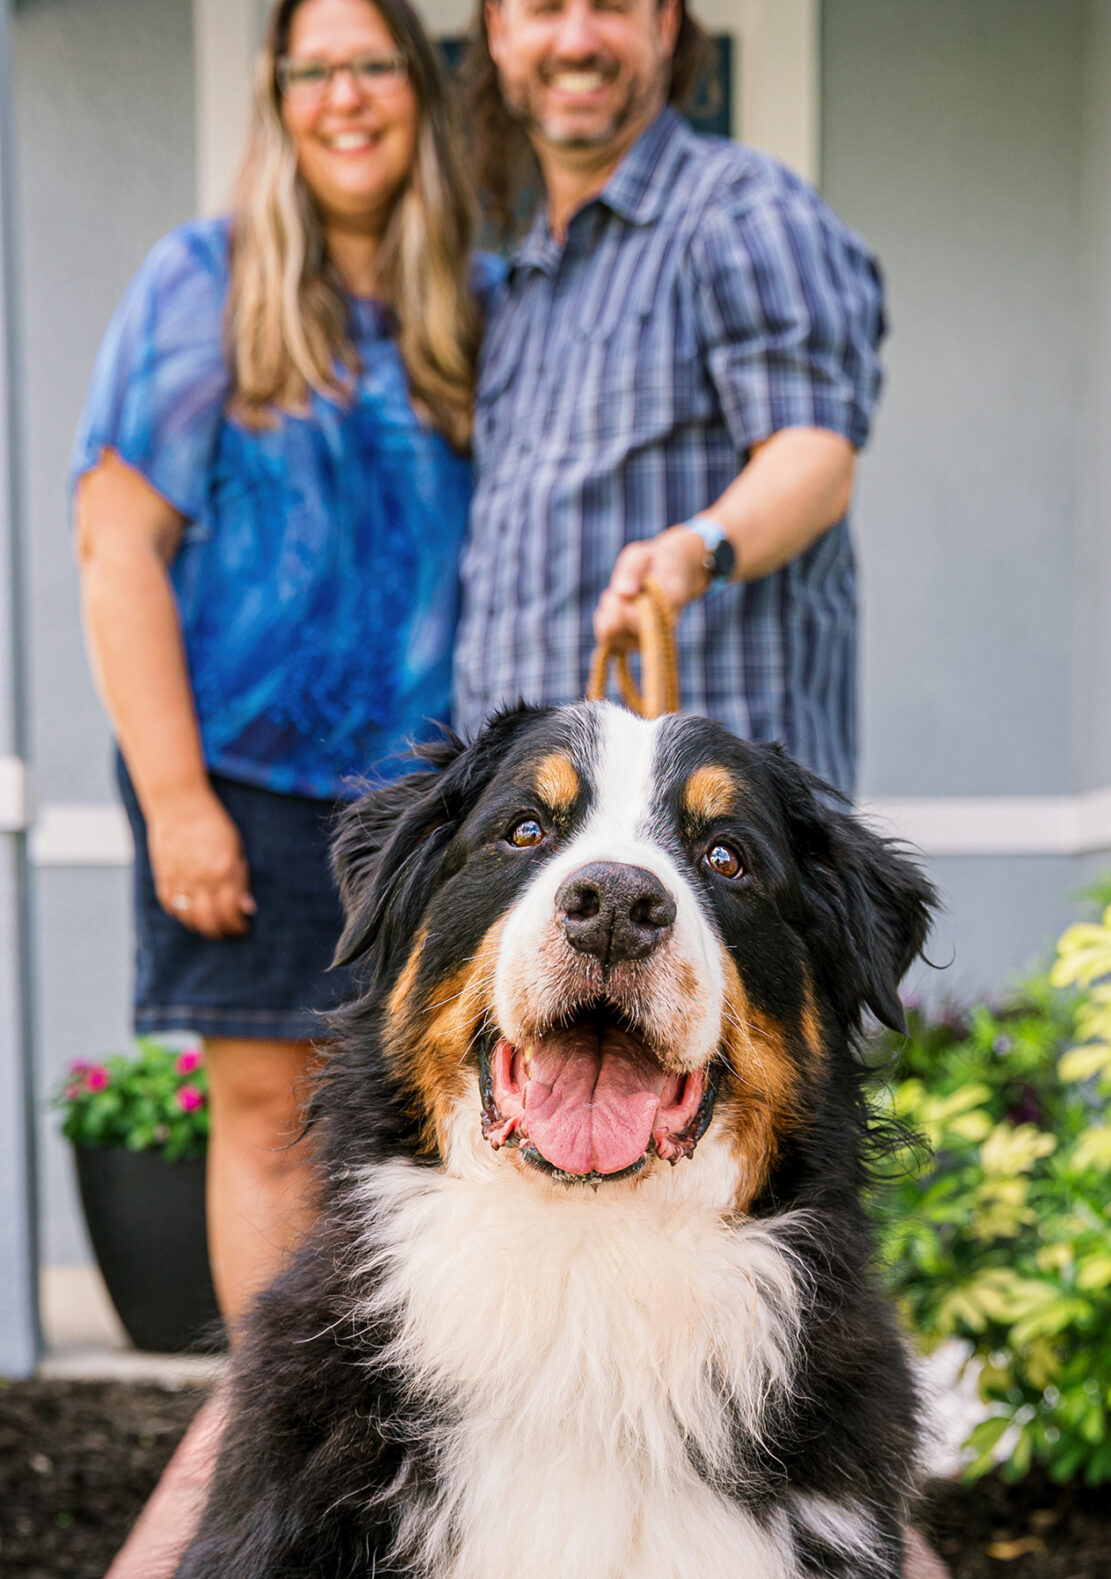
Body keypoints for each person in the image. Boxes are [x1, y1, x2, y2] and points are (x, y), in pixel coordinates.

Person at [71, 0, 489, 1324]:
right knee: (266, 1118)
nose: (345, 96)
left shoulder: (473, 303)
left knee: (441, 1127)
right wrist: (180, 799)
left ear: (419, 92)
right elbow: (114, 547)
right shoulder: (203, 280)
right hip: (244, 778)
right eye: (313, 70)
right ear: (278, 95)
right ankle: (272, 1437)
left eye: (373, 65)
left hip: (438, 802)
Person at [454, 0, 885, 801]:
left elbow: (815, 460)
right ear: (497, 31)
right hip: (547, 838)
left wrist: (696, 552)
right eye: (545, 9)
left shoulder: (742, 214)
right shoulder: (520, 286)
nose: (577, 40)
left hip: (721, 840)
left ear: (664, 25)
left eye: (610, 8)